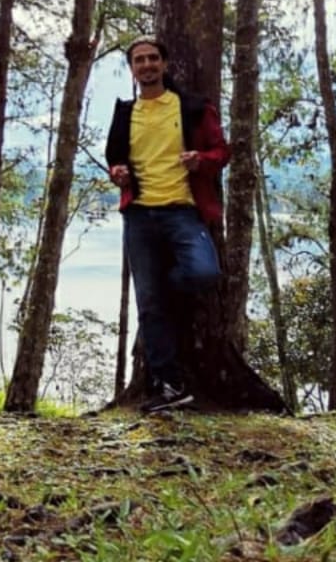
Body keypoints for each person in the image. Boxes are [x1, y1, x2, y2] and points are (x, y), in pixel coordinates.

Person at [106, 35, 229, 414]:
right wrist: (118, 173)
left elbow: (221, 151)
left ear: (164, 64)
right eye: (139, 60)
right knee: (149, 305)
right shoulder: (125, 113)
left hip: (182, 212)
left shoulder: (192, 107)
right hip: (140, 216)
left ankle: (166, 293)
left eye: (153, 58)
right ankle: (170, 385)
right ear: (132, 69)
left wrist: (201, 161)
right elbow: (114, 159)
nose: (147, 65)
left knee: (203, 272)